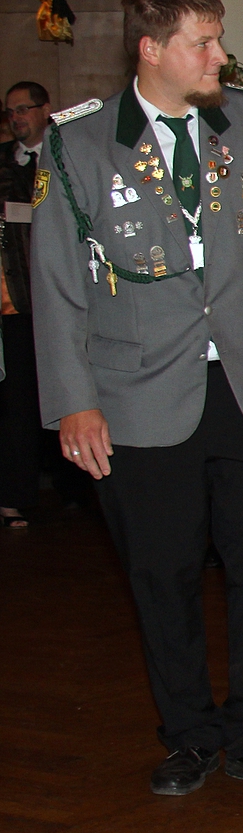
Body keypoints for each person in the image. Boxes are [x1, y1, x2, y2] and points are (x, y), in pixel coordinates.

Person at [31, 0, 243, 795]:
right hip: (136, 398)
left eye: (218, 38)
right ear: (151, 48)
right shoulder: (79, 142)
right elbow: (57, 284)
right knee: (161, 575)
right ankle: (189, 738)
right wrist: (73, 401)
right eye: (202, 42)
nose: (219, 55)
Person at [1, 82, 50, 528]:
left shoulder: (65, 151)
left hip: (63, 297)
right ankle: (15, 496)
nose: (17, 118)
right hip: (17, 299)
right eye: (11, 112)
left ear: (44, 110)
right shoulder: (3, 161)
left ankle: (80, 492)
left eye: (23, 109)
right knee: (17, 402)